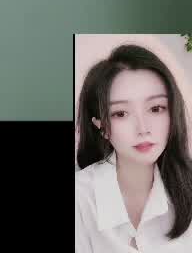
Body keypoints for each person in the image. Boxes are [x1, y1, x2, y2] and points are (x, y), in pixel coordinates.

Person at [75, 44, 192, 251]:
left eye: (156, 108)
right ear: (101, 126)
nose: (143, 128)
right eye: (120, 113)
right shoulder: (80, 198)